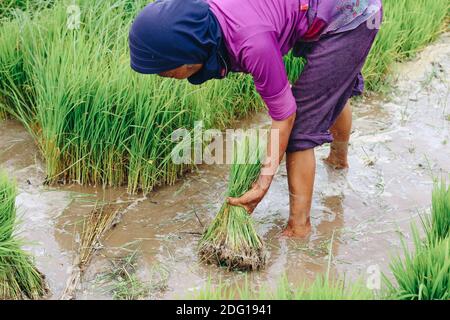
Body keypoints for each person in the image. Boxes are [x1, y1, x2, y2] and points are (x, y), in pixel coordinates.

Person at [129, 0, 382, 238]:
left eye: (164, 69)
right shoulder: (203, 21)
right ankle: (338, 162)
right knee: (331, 89)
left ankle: (299, 229)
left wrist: (263, 182)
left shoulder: (251, 42)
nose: (164, 76)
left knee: (299, 132)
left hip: (352, 14)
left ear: (187, 50)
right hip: (318, 9)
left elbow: (286, 115)